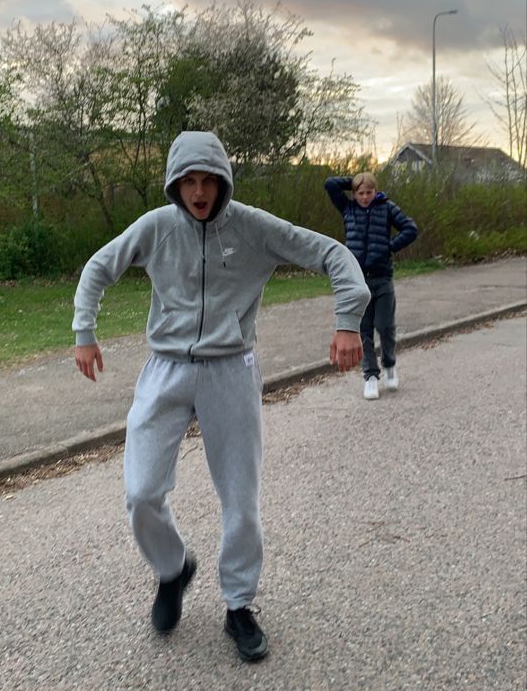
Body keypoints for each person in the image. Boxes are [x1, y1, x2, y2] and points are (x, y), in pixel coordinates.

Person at [73, 131, 370, 662]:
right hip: (166, 368)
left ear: (224, 181)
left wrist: (348, 321)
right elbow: (99, 267)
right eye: (189, 180)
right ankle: (172, 569)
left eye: (209, 179)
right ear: (175, 184)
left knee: (240, 496)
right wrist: (84, 331)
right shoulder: (158, 227)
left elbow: (331, 253)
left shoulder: (253, 227)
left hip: (231, 369)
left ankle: (238, 604)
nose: (200, 190)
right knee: (141, 490)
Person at [324, 171, 418, 400]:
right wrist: (356, 179)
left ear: (376, 192)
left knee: (385, 326)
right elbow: (330, 184)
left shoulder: (386, 208)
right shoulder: (349, 209)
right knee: (364, 330)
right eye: (360, 192)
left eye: (369, 192)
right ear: (354, 194)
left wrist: (390, 247)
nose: (365, 197)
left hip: (382, 277)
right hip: (357, 281)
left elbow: (410, 229)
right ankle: (370, 376)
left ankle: (389, 365)